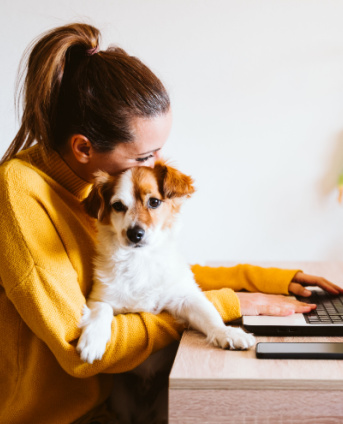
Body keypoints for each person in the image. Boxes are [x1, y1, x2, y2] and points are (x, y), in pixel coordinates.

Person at [0, 23, 342, 424]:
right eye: (147, 155)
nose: (158, 167)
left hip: (115, 403)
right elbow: (83, 350)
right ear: (83, 148)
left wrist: (266, 280)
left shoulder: (90, 192)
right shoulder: (20, 193)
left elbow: (154, 278)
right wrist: (225, 304)